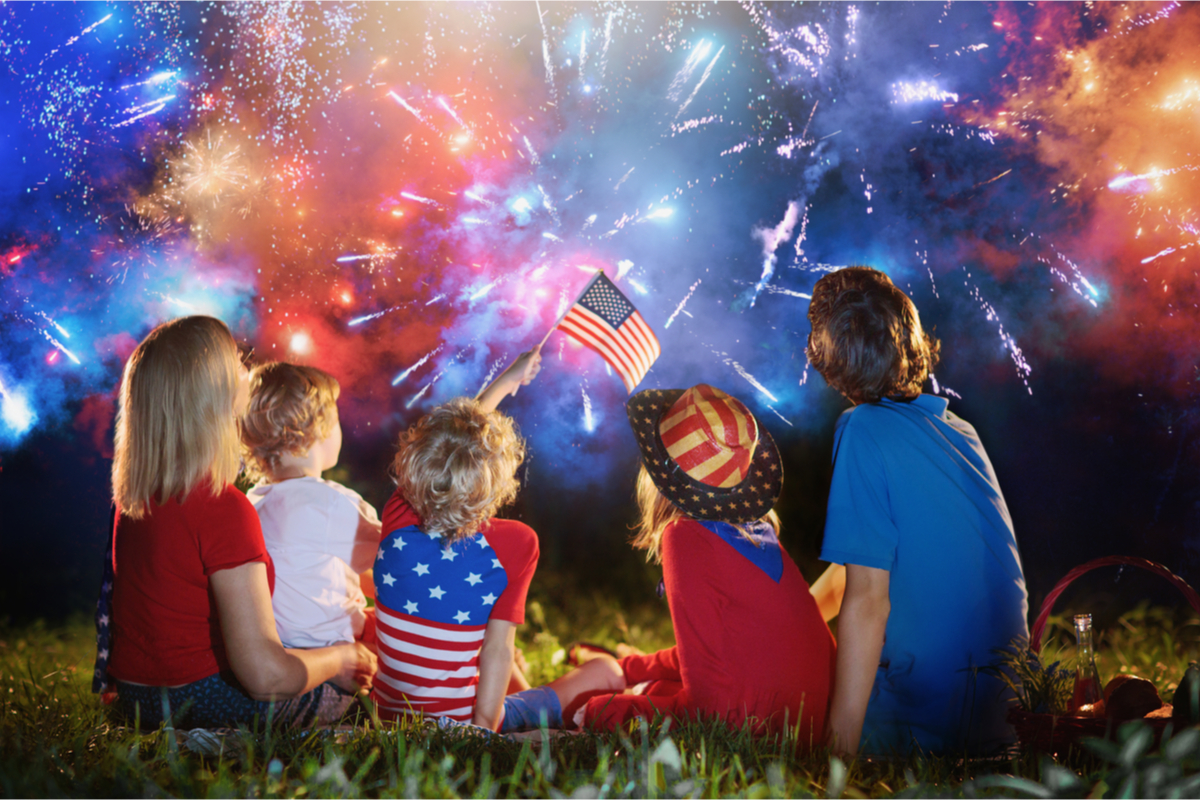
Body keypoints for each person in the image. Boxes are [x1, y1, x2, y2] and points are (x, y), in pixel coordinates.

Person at [104, 316, 376, 730]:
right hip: (197, 703)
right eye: (236, 364)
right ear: (211, 394)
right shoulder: (223, 507)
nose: (248, 370)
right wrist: (341, 660)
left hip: (135, 699)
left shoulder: (135, 501)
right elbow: (266, 677)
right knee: (353, 685)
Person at [805, 266, 1029, 757]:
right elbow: (859, 570)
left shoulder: (862, 429)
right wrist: (797, 615)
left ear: (831, 359)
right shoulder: (960, 431)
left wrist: (837, 753)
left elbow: (867, 601)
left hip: (926, 719)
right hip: (1003, 711)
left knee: (791, 699)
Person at [372, 347, 623, 732]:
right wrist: (484, 730)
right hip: (463, 719)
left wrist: (505, 381)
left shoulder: (397, 516)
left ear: (415, 464)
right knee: (605, 670)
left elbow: (451, 443)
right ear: (499, 483)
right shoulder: (515, 544)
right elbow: (497, 649)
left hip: (389, 715)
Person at [574, 383, 835, 742]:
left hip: (755, 730)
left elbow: (710, 709)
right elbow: (722, 656)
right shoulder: (758, 532)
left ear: (659, 474)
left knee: (628, 698)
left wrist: (607, 711)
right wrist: (629, 668)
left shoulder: (685, 537)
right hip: (810, 726)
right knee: (655, 683)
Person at [240, 362, 382, 650]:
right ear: (319, 427)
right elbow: (393, 558)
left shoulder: (252, 502)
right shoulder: (327, 502)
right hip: (333, 652)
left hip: (282, 651)